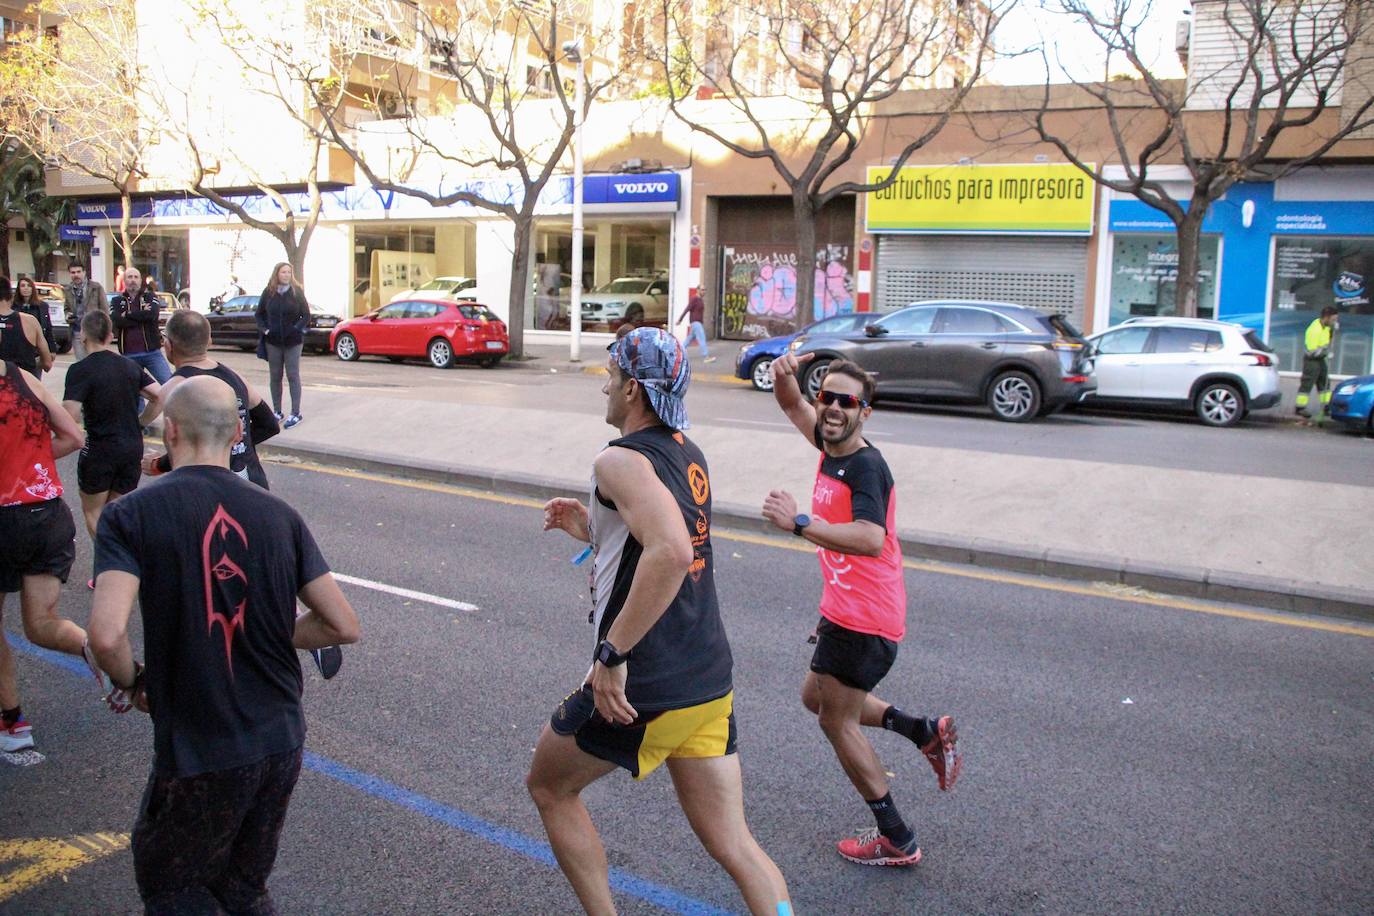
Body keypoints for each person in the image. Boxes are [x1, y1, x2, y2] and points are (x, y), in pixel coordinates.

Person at [530, 327, 791, 915]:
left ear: (634, 393)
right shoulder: (686, 452)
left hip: (649, 683)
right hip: (706, 679)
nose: (606, 385)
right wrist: (593, 526)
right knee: (736, 843)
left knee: (549, 786)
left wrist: (611, 657)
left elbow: (671, 551)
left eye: (613, 375)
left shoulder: (616, 459)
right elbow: (664, 539)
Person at [86, 376, 360, 913]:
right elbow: (342, 625)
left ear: (169, 432)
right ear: (237, 432)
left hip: (199, 744)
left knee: (174, 886)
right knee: (243, 887)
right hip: (280, 738)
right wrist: (266, 630)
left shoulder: (130, 515)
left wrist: (133, 681)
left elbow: (105, 633)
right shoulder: (280, 515)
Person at [763, 351, 961, 867]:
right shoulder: (830, 442)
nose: (830, 407)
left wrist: (799, 523)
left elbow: (871, 538)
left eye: (845, 401)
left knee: (836, 721)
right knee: (816, 698)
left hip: (865, 618)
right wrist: (784, 376)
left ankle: (897, 836)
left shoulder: (866, 466)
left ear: (864, 412)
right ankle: (920, 730)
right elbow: (791, 406)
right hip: (846, 609)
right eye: (825, 395)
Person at [145, 310, 342, 679]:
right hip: (252, 483)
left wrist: (158, 466)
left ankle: (239, 651)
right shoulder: (232, 376)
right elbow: (268, 422)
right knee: (257, 569)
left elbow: (189, 448)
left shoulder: (175, 388)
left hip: (210, 496)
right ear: (207, 340)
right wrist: (239, 448)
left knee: (220, 575)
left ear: (169, 347)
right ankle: (295, 628)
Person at [0, 354, 117, 753]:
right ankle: (98, 650)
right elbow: (74, 437)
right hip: (45, 513)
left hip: (2, 518)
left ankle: (14, 724)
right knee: (41, 622)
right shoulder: (22, 379)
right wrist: (28, 463)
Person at [63, 311, 163, 588]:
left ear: (83, 335)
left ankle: (117, 565)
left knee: (94, 514)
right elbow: (159, 395)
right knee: (116, 511)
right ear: (110, 335)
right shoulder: (129, 366)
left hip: (100, 448)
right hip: (131, 446)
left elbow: (70, 413)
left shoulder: (80, 370)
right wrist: (140, 422)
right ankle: (110, 569)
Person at [255, 263, 309, 429]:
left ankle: (295, 412)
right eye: (283, 272)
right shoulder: (269, 292)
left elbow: (306, 315)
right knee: (275, 376)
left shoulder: (296, 291)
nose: (286, 275)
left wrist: (296, 329)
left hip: (293, 341)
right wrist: (266, 330)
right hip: (274, 341)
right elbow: (259, 314)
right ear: (276, 274)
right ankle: (277, 411)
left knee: (293, 375)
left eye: (289, 272)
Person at [110, 267, 173, 387]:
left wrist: (128, 314)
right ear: (124, 280)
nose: (133, 280)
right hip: (128, 355)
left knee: (169, 384)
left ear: (140, 280)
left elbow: (152, 315)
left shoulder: (150, 297)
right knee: (135, 393)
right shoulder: (116, 301)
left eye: (136, 277)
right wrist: (142, 316)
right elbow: (117, 321)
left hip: (152, 353)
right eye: (129, 277)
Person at [0, 277, 54, 378]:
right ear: (10, 296)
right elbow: (47, 364)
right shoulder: (30, 321)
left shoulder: (40, 308)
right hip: (25, 385)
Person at [1296, 306, 1339, 422]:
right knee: (1307, 382)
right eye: (1333, 319)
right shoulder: (1314, 330)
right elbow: (1312, 352)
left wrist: (1333, 329)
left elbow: (1327, 340)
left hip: (1320, 358)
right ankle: (1300, 407)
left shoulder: (1326, 327)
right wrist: (1326, 353)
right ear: (1327, 317)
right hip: (1312, 360)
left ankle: (1326, 406)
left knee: (1324, 381)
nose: (1334, 322)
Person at [64, 263, 108, 359]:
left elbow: (105, 310)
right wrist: (67, 315)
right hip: (77, 331)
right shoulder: (67, 289)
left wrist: (105, 330)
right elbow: (66, 308)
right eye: (73, 272)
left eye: (79, 272)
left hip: (94, 331)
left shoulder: (96, 287)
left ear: (84, 272)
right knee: (81, 362)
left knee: (96, 360)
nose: (76, 275)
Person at [14, 277, 58, 368]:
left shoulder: (42, 307)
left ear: (33, 288)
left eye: (29, 286)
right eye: (23, 286)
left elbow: (48, 329)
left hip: (35, 351)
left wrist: (52, 349)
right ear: (19, 288)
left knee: (35, 377)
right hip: (17, 351)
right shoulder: (12, 307)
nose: (26, 288)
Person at [677, 290, 714, 362]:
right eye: (703, 290)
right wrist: (680, 320)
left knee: (689, 339)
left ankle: (677, 352)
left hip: (697, 323)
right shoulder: (694, 299)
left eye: (705, 290)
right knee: (702, 338)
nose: (704, 291)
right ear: (698, 290)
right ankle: (706, 357)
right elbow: (687, 309)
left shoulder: (700, 300)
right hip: (695, 322)